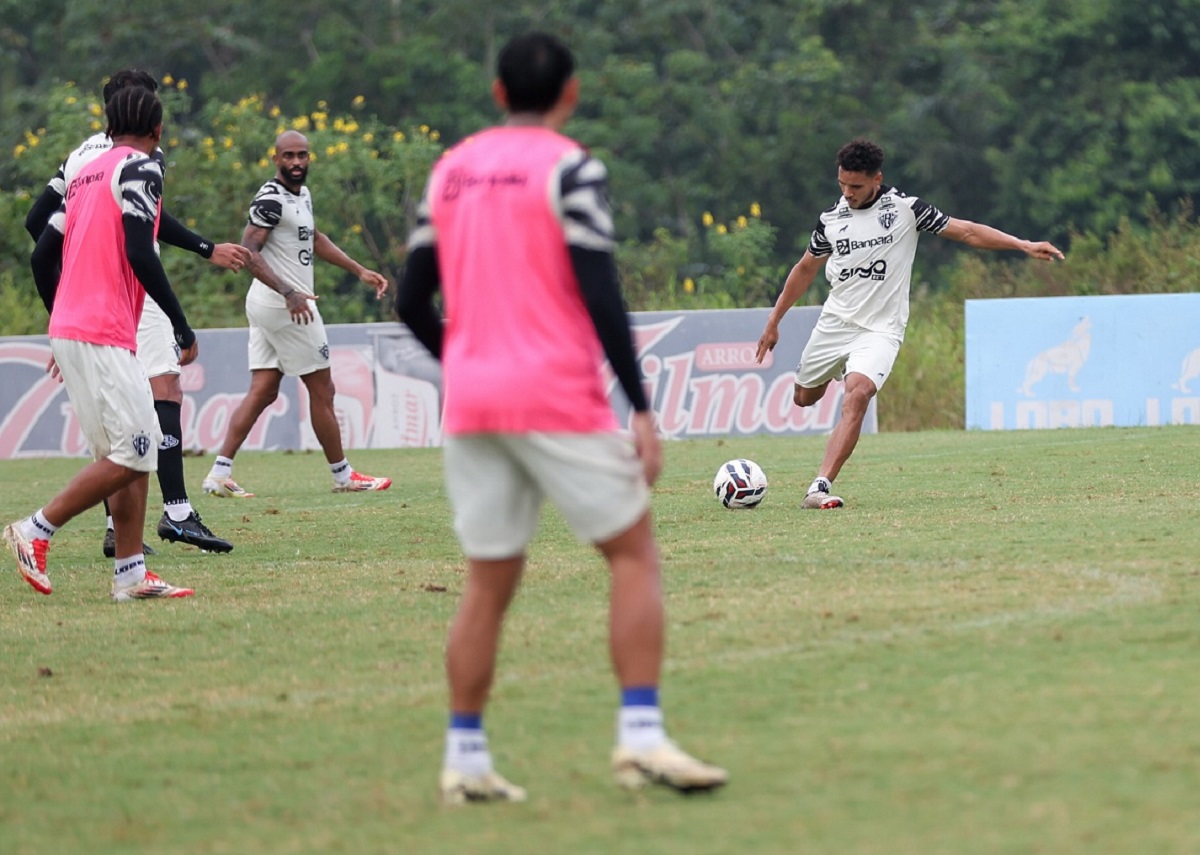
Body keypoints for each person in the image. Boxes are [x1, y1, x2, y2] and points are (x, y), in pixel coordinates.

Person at [396, 31, 727, 805]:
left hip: (473, 403)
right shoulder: (573, 168)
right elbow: (601, 291)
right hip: (554, 395)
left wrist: (465, 363)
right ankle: (641, 738)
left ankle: (464, 757)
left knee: (487, 582)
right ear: (571, 93)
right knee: (633, 553)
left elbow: (412, 298)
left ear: (499, 93)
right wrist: (640, 408)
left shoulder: (449, 171)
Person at [755, 138, 1064, 509]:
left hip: (881, 330)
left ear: (876, 179)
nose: (848, 193)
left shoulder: (906, 209)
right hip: (835, 323)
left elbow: (965, 230)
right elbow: (805, 268)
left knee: (858, 394)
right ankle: (831, 371)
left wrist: (1022, 244)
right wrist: (774, 322)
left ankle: (819, 486)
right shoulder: (831, 221)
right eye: (842, 185)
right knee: (804, 398)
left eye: (855, 186)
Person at [28, 68, 246, 556]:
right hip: (121, 298)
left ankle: (125, 551)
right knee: (155, 406)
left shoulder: (82, 159)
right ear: (150, 117)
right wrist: (204, 253)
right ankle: (175, 514)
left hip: (77, 309)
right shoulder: (142, 158)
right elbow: (143, 231)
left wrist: (66, 295)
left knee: (116, 436)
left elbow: (36, 228)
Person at [6, 85, 195, 601]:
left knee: (128, 449)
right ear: (156, 132)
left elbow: (42, 249)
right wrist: (180, 323)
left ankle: (131, 574)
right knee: (139, 449)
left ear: (108, 127)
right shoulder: (143, 166)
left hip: (72, 325)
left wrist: (61, 316)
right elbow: (140, 248)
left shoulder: (85, 169)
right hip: (104, 328)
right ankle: (35, 529)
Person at [201, 130, 391, 498]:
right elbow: (248, 252)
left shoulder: (301, 194)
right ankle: (343, 475)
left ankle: (218, 474)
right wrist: (289, 293)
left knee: (263, 390)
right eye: (288, 156)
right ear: (276, 160)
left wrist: (358, 270)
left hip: (270, 305)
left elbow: (314, 238)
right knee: (323, 390)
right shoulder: (270, 199)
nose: (296, 163)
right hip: (287, 306)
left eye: (302, 155)